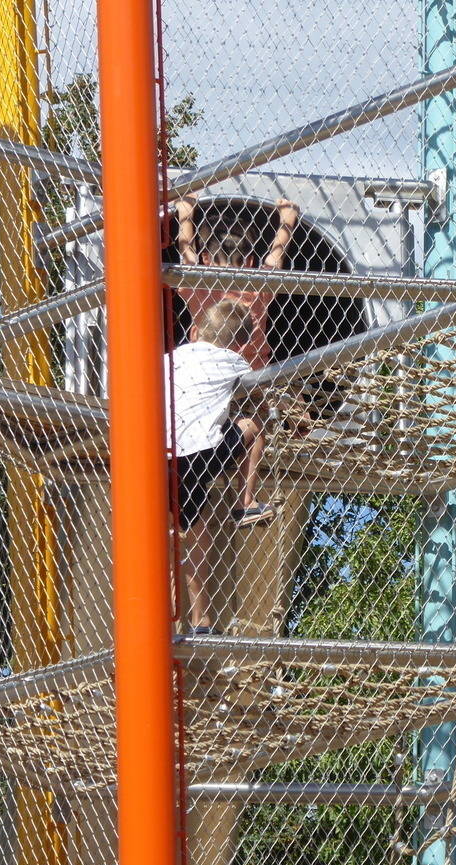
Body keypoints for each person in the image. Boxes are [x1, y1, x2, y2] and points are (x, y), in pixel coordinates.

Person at [166, 298, 276, 631]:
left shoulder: (171, 357)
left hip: (158, 451)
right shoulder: (235, 361)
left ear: (195, 332)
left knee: (194, 527)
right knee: (255, 424)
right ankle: (246, 502)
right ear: (241, 344)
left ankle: (197, 619)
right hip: (197, 452)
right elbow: (260, 397)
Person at [174, 195, 299, 369]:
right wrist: (288, 218)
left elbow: (187, 254)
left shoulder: (200, 285)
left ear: (206, 258)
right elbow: (276, 257)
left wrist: (185, 213)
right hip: (253, 373)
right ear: (250, 261)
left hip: (206, 367)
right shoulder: (257, 287)